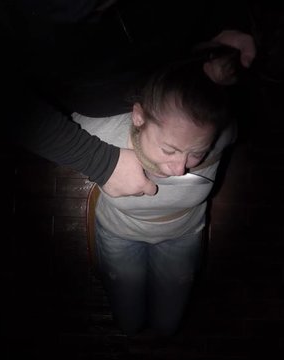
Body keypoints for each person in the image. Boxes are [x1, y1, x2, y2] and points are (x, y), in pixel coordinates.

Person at [0, 0, 256, 198]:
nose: (179, 169)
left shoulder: (219, 130)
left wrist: (222, 20)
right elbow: (0, 98)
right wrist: (99, 161)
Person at [71, 46, 242, 337]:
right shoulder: (103, 131)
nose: (180, 169)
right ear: (138, 117)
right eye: (169, 150)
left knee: (168, 326)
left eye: (196, 153)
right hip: (119, 233)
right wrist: (98, 161)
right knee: (128, 322)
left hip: (183, 235)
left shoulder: (224, 132)